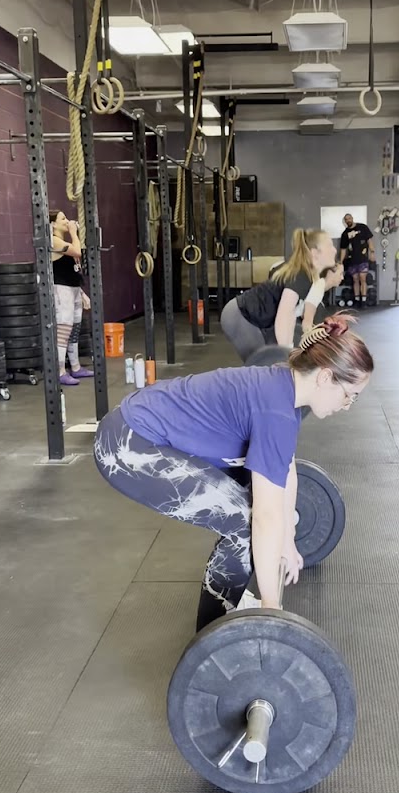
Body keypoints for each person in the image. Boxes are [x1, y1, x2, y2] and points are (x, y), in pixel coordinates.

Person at [94, 314, 374, 631]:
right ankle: (214, 638)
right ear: (325, 377)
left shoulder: (286, 389)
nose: (348, 405)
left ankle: (227, 621)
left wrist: (288, 539)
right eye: (350, 395)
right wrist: (273, 609)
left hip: (141, 426)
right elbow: (266, 515)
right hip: (128, 443)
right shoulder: (276, 410)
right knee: (244, 523)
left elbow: (285, 466)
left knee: (259, 516)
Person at [220, 228, 337, 361]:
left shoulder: (308, 275)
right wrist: (288, 353)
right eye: (330, 245)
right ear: (315, 253)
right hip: (240, 316)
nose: (334, 250)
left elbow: (291, 315)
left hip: (252, 318)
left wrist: (289, 349)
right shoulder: (302, 274)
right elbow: (285, 314)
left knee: (272, 363)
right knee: (262, 364)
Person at [50, 209, 93, 387]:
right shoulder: (53, 241)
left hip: (73, 290)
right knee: (64, 330)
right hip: (61, 291)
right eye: (63, 218)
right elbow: (77, 252)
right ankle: (60, 371)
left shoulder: (64, 241)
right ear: (52, 224)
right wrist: (74, 233)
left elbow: (73, 271)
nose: (67, 221)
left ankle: (75, 367)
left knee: (75, 328)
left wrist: (82, 293)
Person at [339, 214, 376, 308]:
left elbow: (369, 240)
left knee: (362, 278)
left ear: (352, 218)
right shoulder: (345, 234)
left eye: (349, 218)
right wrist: (340, 261)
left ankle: (363, 301)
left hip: (363, 259)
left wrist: (372, 252)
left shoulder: (362, 227)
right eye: (346, 219)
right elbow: (343, 249)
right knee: (355, 279)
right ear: (345, 221)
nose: (348, 220)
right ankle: (357, 300)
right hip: (352, 260)